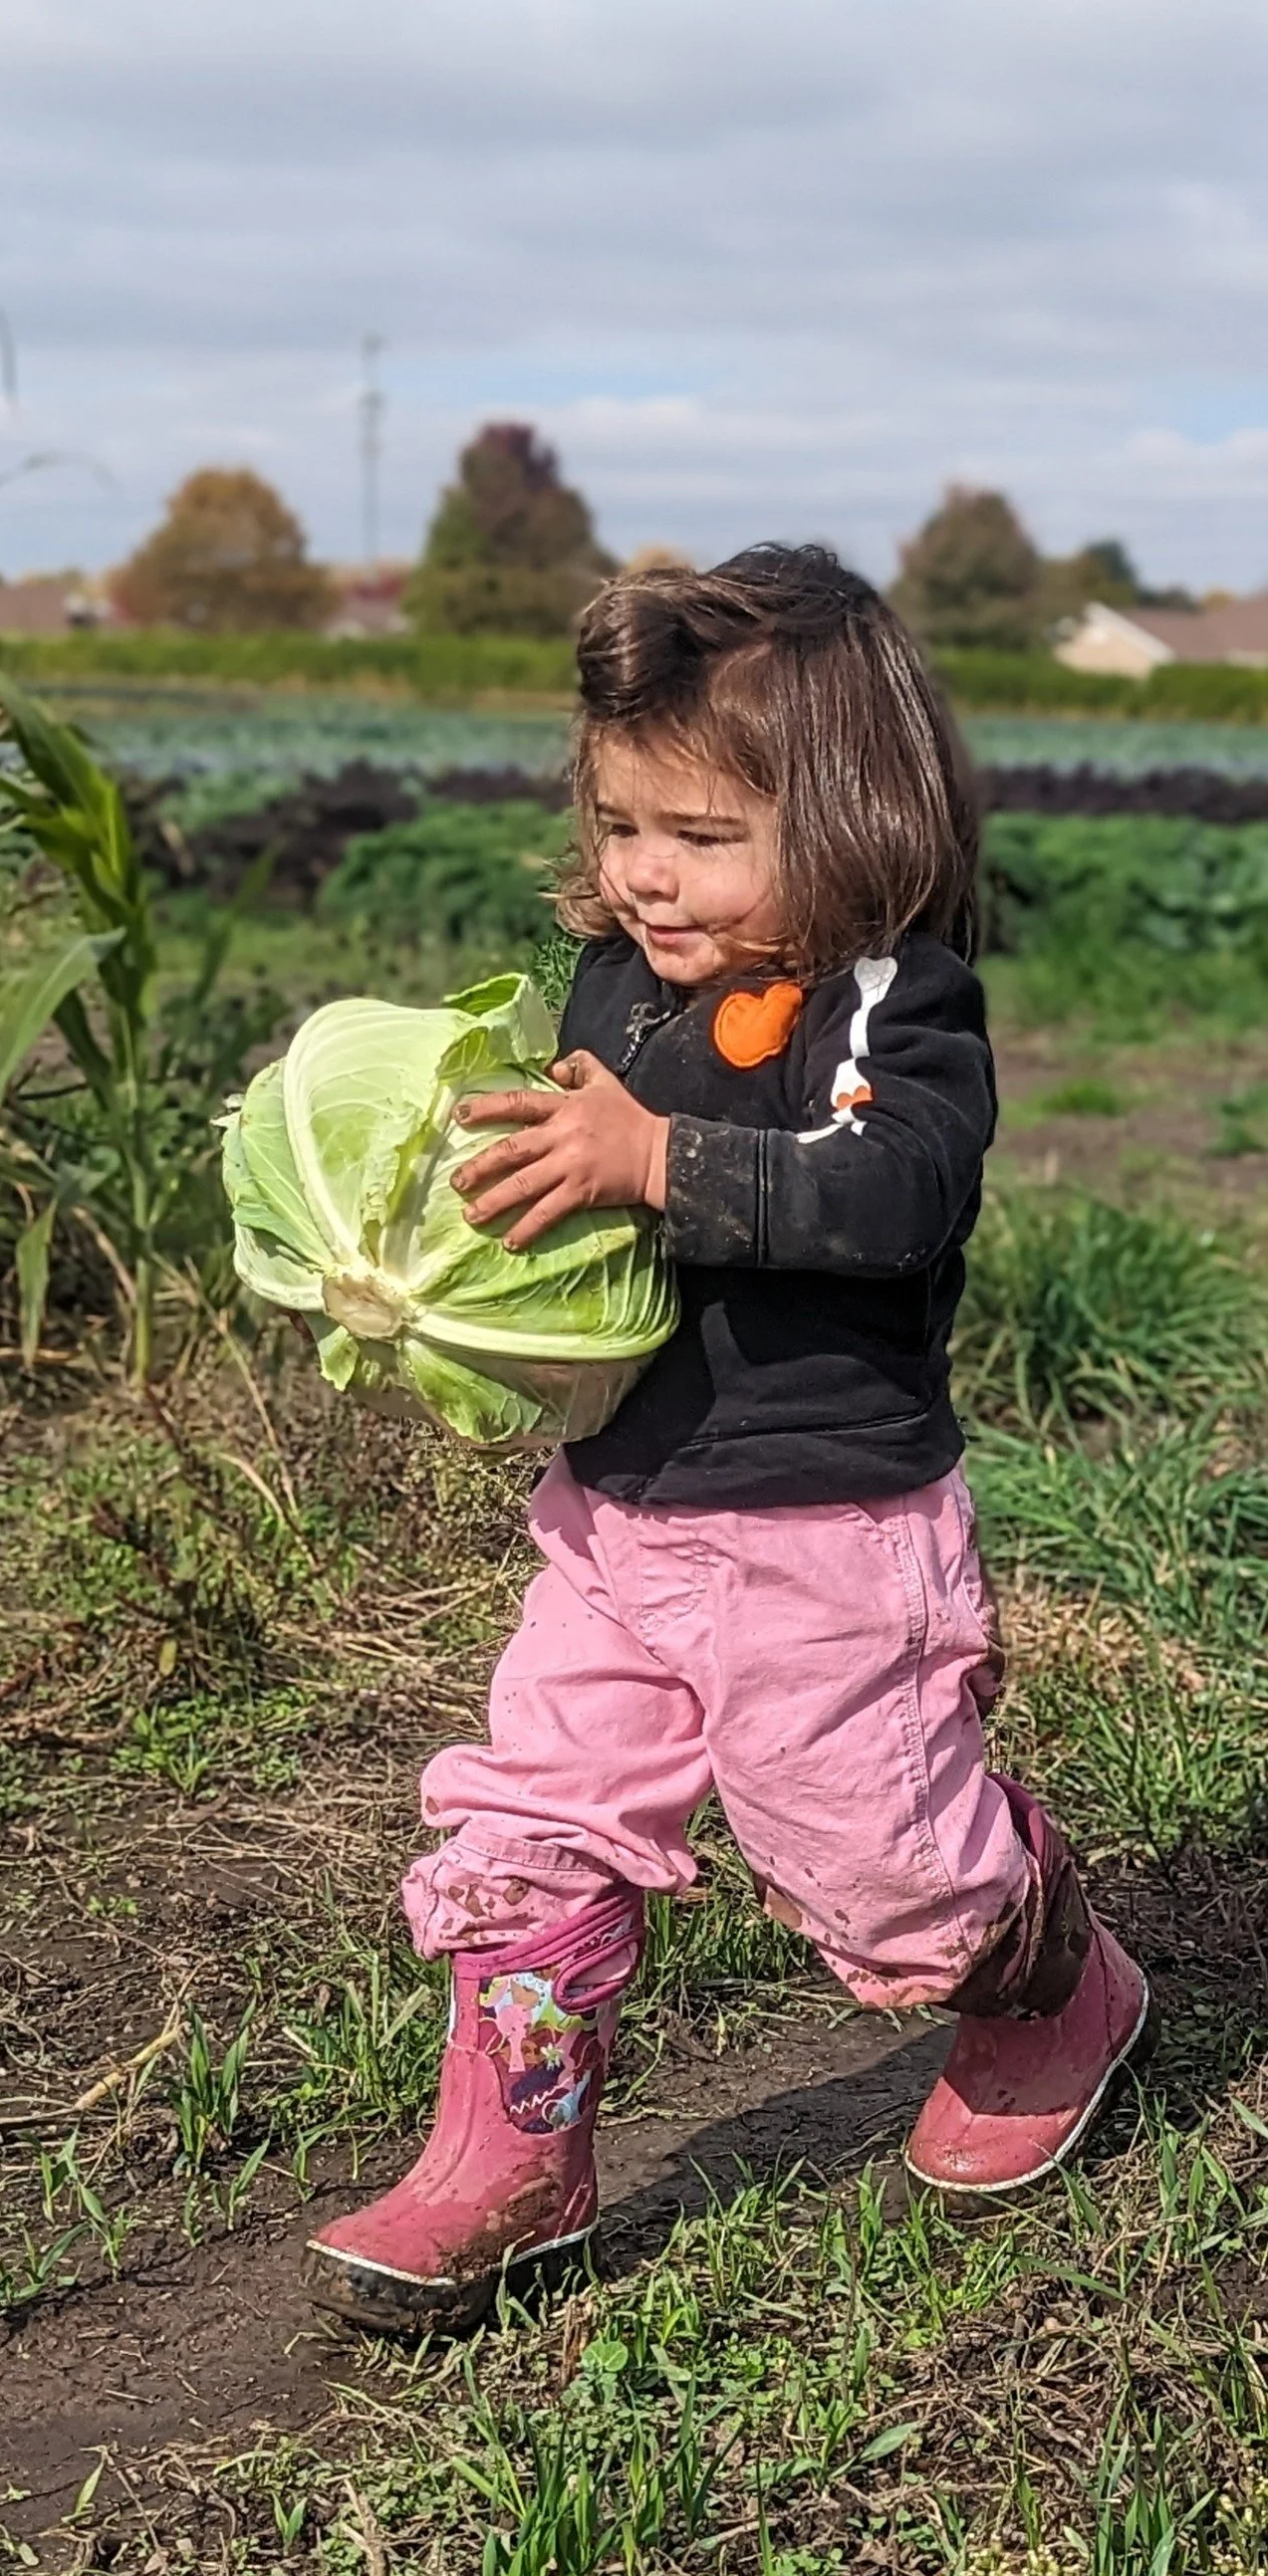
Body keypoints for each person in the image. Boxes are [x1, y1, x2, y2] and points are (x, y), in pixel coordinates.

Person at [306, 546, 1152, 2338]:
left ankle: (1050, 1981)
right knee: (532, 1812)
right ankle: (510, 2152)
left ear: (846, 817)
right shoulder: (613, 986)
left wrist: (664, 1161)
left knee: (884, 1868)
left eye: (698, 835)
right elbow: (572, 1196)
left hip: (831, 1536)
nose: (643, 873)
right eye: (620, 822)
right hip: (618, 1516)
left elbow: (899, 1190)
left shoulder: (889, 1000)